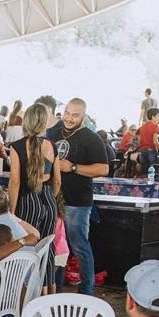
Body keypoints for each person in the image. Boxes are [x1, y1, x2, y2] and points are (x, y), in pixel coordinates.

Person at [50, 98, 109, 295]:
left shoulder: (91, 138)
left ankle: (86, 290)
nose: (69, 118)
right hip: (52, 199)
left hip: (77, 202)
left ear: (83, 116)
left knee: (79, 246)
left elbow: (103, 168)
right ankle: (55, 288)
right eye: (67, 113)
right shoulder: (53, 132)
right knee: (55, 246)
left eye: (75, 115)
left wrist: (73, 167)